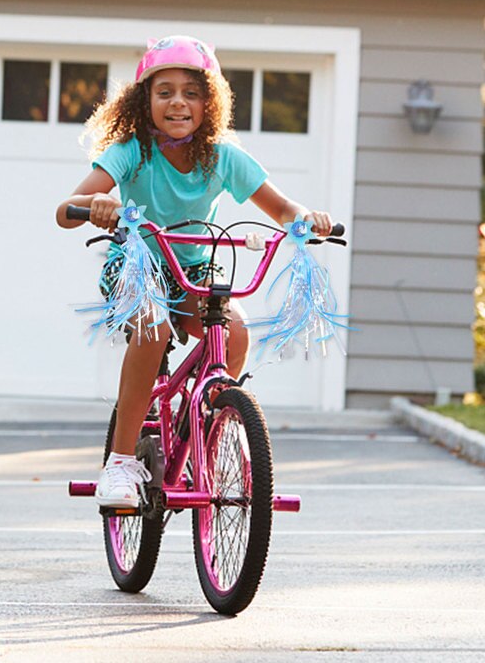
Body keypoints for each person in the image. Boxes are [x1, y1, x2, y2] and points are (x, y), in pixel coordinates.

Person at [55, 35, 331, 509]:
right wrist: (97, 203)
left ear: (210, 102)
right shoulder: (132, 151)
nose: (178, 102)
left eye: (191, 92)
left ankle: (207, 416)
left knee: (235, 331)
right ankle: (120, 462)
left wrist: (307, 219)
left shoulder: (222, 156)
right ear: (145, 101)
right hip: (139, 264)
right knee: (154, 327)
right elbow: (66, 209)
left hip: (195, 262)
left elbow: (283, 206)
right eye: (164, 92)